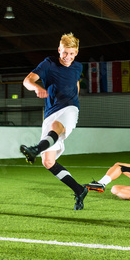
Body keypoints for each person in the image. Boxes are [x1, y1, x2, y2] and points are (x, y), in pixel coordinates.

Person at [19, 33, 88, 210]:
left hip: (70, 109)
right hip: (51, 112)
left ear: (77, 53)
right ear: (59, 50)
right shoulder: (49, 63)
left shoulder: (78, 67)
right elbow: (28, 80)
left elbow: (76, 85)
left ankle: (35, 148)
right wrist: (36, 88)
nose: (68, 57)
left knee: (56, 127)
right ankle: (79, 190)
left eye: (72, 53)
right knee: (48, 162)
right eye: (65, 53)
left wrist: (74, 103)